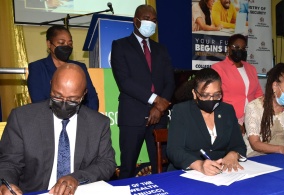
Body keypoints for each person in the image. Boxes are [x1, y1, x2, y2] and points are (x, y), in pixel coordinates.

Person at [0, 63, 116, 195]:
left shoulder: (98, 124)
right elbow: (9, 163)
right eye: (57, 96)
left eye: (73, 100)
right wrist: (5, 186)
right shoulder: (22, 118)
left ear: (84, 94)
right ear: (51, 85)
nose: (63, 105)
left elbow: (107, 163)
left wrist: (76, 178)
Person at [111, 5, 175, 178]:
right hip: (132, 116)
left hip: (159, 117)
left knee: (160, 167)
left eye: (154, 20)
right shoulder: (120, 46)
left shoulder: (161, 49)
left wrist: (160, 107)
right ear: (136, 21)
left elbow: (170, 81)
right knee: (127, 168)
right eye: (147, 19)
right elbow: (124, 82)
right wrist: (155, 99)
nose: (151, 23)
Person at [167, 68, 246, 175]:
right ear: (195, 94)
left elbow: (239, 145)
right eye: (205, 95)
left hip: (221, 173)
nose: (211, 99)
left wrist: (234, 154)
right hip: (188, 173)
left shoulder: (227, 110)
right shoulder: (182, 111)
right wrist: (199, 165)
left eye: (217, 94)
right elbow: (174, 151)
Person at [27, 25, 99, 111]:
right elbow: (38, 102)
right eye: (61, 43)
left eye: (70, 44)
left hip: (80, 118)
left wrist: (84, 119)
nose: (66, 46)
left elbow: (92, 98)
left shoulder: (80, 67)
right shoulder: (37, 68)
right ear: (49, 44)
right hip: (49, 120)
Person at [211, 34, 263, 133]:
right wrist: (235, 121)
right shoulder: (218, 68)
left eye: (243, 48)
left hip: (252, 118)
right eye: (236, 47)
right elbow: (216, 98)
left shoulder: (251, 68)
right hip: (229, 118)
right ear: (228, 48)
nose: (240, 50)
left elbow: (258, 94)